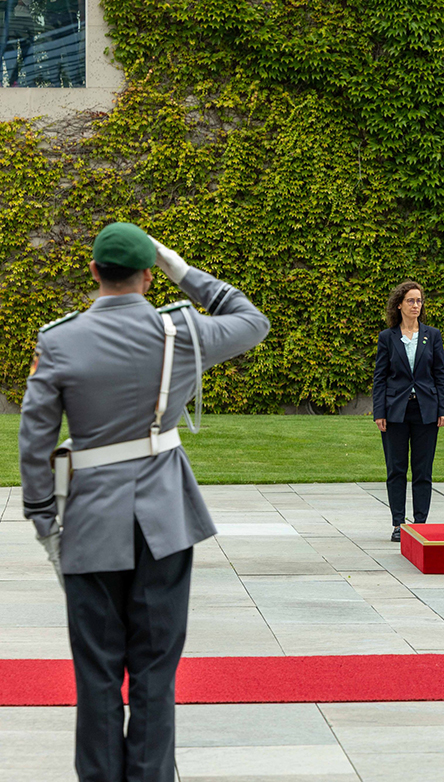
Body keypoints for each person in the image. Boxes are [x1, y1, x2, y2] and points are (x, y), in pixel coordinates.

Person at [18, 222, 269, 782]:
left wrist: (41, 514)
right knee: (155, 671)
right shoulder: (180, 331)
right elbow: (253, 322)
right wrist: (184, 270)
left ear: (93, 272)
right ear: (150, 277)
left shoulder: (57, 339)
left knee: (98, 673)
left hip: (89, 523)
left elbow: (35, 439)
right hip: (164, 518)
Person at [373, 280, 444, 540]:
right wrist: (379, 412)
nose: (416, 305)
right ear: (399, 305)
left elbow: (440, 374)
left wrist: (443, 409)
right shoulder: (387, 337)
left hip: (426, 410)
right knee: (396, 468)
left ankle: (420, 523)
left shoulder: (432, 335)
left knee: (423, 469)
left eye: (419, 301)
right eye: (411, 301)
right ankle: (397, 523)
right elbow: (380, 377)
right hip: (396, 411)